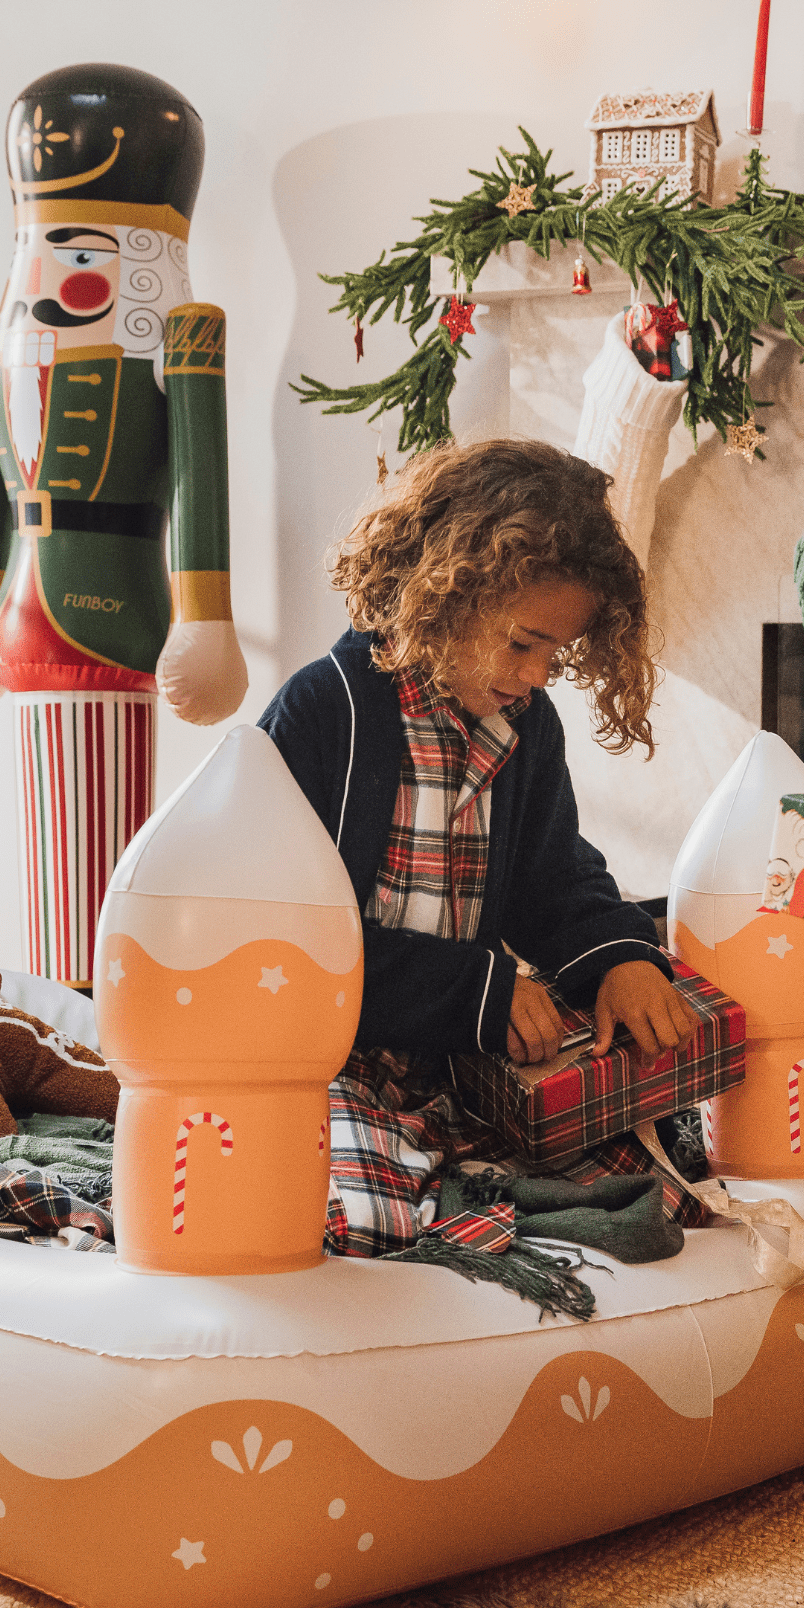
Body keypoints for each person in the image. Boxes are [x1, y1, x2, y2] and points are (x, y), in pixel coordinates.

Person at [258, 438, 700, 1254]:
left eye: (555, 655)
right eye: (522, 643)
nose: (536, 676)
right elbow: (283, 945)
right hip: (329, 1065)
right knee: (363, 1227)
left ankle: (467, 1190)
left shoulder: (527, 728)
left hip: (468, 1070)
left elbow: (553, 879)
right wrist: (480, 992)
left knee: (670, 1193)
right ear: (448, 593)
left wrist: (619, 958)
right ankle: (455, 1198)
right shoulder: (324, 711)